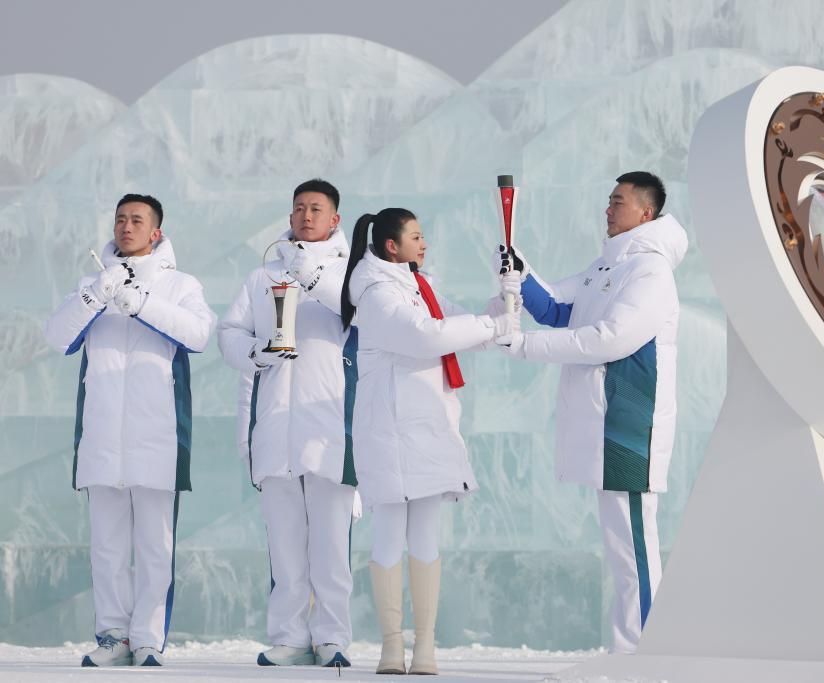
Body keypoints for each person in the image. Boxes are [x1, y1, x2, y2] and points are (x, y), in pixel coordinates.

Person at [494, 172, 688, 654]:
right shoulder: (608, 265)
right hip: (606, 423)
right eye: (609, 200)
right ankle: (631, 652)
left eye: (618, 202)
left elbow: (611, 339)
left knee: (633, 548)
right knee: (622, 548)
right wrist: (521, 272)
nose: (608, 209)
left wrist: (523, 346)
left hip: (630, 424)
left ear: (645, 212)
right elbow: (558, 308)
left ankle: (644, 654)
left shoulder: (651, 271)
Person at [341, 208, 520, 675]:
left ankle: (424, 647)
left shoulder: (418, 286)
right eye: (417, 236)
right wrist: (493, 326)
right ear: (391, 246)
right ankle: (391, 647)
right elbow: (425, 337)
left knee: (424, 537)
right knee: (388, 536)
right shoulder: (377, 293)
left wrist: (505, 301)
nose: (425, 244)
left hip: (429, 428)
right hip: (391, 432)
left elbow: (463, 327)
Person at [45, 194, 215, 667]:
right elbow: (57, 336)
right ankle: (113, 636)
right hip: (101, 436)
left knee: (155, 545)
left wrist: (141, 303)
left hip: (158, 435)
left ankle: (146, 639)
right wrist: (98, 295)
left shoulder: (180, 284)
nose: (126, 226)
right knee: (107, 546)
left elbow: (200, 334)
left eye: (137, 220)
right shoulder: (92, 282)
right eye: (120, 218)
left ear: (156, 231)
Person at [217, 179, 357, 668]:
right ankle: (290, 636)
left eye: (316, 209)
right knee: (285, 546)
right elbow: (230, 330)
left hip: (329, 428)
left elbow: (357, 313)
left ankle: (332, 636)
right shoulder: (263, 276)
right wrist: (255, 353)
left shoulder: (350, 273)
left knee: (331, 544)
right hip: (276, 425)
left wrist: (309, 274)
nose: (306, 216)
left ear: (335, 219)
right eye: (299, 208)